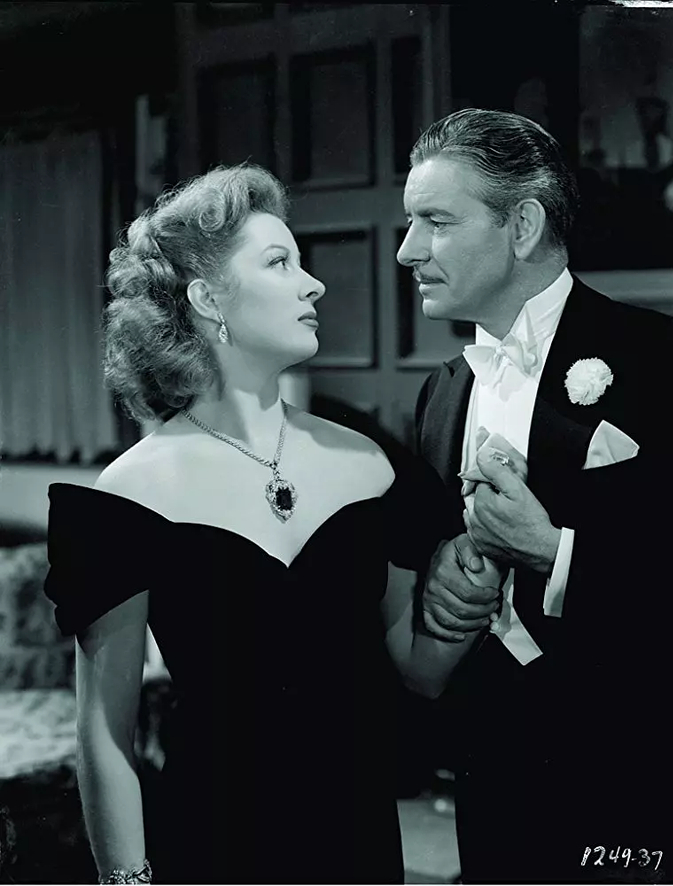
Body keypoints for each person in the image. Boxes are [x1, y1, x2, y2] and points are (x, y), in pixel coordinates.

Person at [43, 163, 472, 885]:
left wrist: (483, 566)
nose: (315, 284)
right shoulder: (126, 496)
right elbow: (105, 735)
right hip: (212, 849)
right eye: (280, 262)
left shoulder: (369, 465)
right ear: (207, 298)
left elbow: (421, 672)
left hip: (359, 847)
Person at [397, 108, 673, 883]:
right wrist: (443, 572)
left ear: (523, 226)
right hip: (486, 779)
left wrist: (554, 553)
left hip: (632, 781)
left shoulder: (671, 363)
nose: (407, 250)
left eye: (435, 221)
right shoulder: (439, 394)